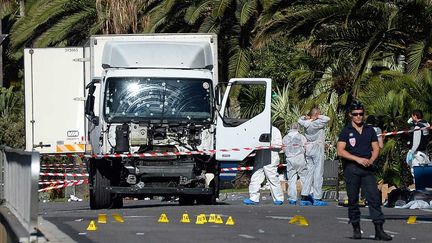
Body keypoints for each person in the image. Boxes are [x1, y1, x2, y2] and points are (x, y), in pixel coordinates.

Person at [337, 101, 392, 241]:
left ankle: (379, 229)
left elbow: (376, 148)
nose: (359, 117)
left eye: (361, 114)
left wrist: (371, 160)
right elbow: (340, 151)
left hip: (367, 169)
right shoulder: (346, 131)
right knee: (353, 199)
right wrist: (357, 159)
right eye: (355, 114)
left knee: (374, 198)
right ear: (350, 115)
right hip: (352, 169)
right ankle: (356, 227)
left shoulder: (369, 130)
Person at [243, 126, 284, 205]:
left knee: (272, 178)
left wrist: (268, 144)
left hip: (271, 158)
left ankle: (278, 198)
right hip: (260, 158)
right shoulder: (260, 129)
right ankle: (253, 198)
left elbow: (279, 145)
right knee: (255, 177)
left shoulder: (275, 130)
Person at [298, 107, 330, 206]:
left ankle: (304, 195)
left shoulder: (306, 124)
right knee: (318, 173)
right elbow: (327, 119)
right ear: (316, 114)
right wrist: (317, 117)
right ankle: (317, 197)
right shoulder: (316, 123)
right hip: (317, 147)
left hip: (309, 148)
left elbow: (299, 120)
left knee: (309, 172)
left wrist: (307, 117)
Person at [282, 122, 307, 205]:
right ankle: (306, 196)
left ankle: (292, 198)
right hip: (300, 158)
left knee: (291, 180)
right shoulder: (301, 137)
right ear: (298, 128)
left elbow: (284, 149)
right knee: (304, 178)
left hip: (290, 160)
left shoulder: (285, 138)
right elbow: (306, 147)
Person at [407, 110, 430, 176]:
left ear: (415, 116)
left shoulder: (418, 127)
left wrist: (411, 152)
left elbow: (416, 142)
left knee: (416, 172)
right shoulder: (426, 124)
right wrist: (412, 123)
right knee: (425, 172)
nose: (411, 117)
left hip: (417, 153)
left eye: (412, 116)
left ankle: (419, 186)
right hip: (424, 151)